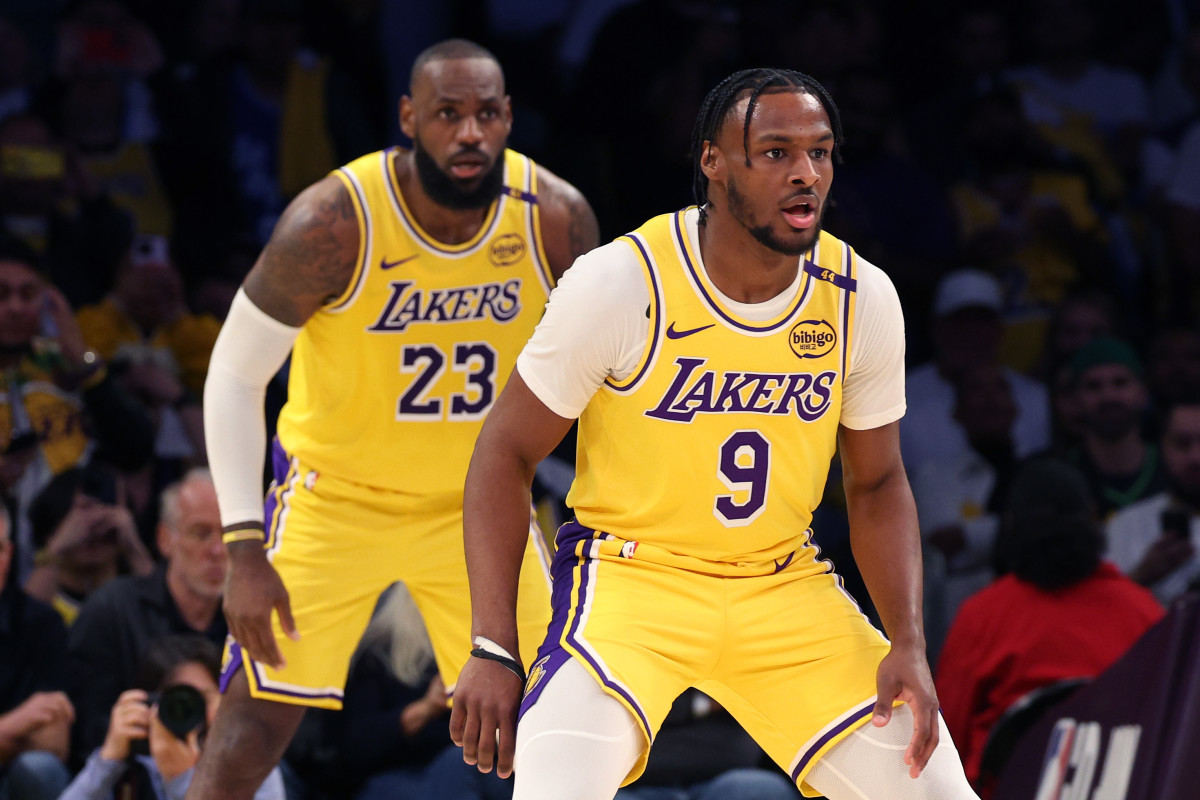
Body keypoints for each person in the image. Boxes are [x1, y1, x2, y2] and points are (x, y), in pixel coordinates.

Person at [451, 68, 977, 800]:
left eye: (821, 153)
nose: (805, 175)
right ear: (713, 162)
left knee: (940, 793)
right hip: (633, 582)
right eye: (775, 153)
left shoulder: (863, 297)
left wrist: (908, 643)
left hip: (782, 581)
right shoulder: (621, 283)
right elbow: (502, 452)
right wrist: (492, 644)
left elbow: (878, 480)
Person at [188, 38, 598, 800]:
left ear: (509, 118)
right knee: (248, 733)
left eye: (485, 113)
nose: (469, 132)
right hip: (335, 501)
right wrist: (243, 547)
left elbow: (606, 381)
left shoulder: (556, 220)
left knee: (557, 731)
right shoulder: (332, 222)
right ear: (410, 118)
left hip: (478, 507)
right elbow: (235, 374)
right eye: (448, 114)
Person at [935, 458, 1163, 788]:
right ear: (1092, 517)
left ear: (1011, 525)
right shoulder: (1142, 611)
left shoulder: (981, 616)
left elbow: (947, 738)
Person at [65, 468, 227, 759]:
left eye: (229, 534)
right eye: (201, 534)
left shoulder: (256, 620)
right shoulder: (112, 610)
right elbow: (85, 727)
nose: (218, 550)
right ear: (166, 539)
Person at [61, 634, 284, 800]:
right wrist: (108, 760)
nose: (189, 712)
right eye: (176, 701)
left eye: (202, 698)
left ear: (225, 701)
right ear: (149, 702)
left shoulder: (248, 762)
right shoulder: (132, 760)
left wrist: (181, 779)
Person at [0, 506, 73, 800]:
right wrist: (14, 725)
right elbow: (29, 728)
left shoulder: (39, 623)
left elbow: (53, 741)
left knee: (41, 769)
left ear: (8, 556)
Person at [1105, 396, 1200, 604]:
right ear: (1163, 447)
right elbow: (1100, 611)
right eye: (1183, 444)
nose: (1195, 457)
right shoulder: (1125, 524)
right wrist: (1143, 575)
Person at [1062, 336, 1166, 517]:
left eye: (1120, 382)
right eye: (1093, 386)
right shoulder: (1061, 476)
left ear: (1143, 391)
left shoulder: (1173, 468)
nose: (1109, 396)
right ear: (1075, 398)